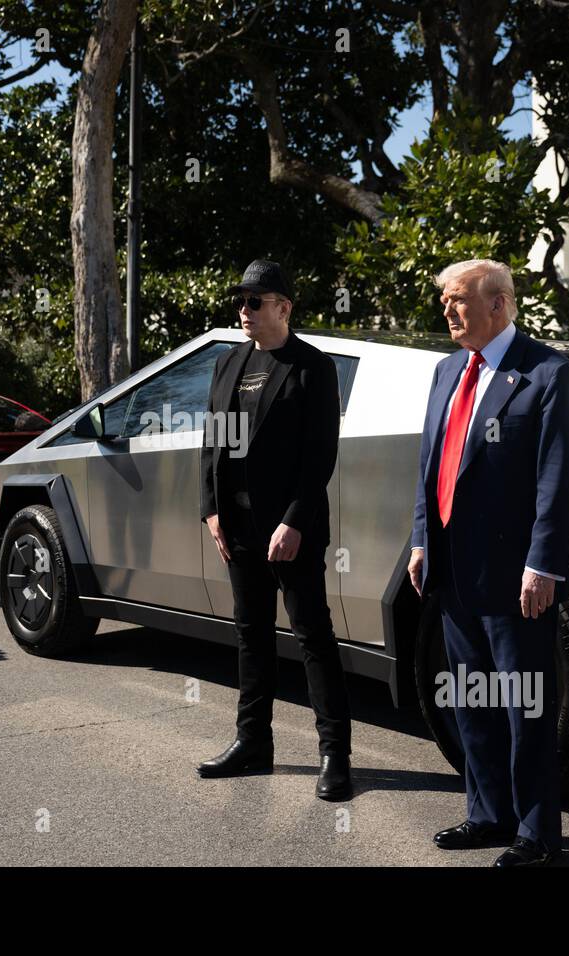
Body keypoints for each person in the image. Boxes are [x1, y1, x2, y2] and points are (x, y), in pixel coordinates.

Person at [408, 259, 569, 866]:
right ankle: (486, 816)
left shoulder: (548, 373)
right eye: (444, 300)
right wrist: (420, 540)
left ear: (499, 303)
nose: (448, 310)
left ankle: (536, 834)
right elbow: (432, 464)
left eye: (458, 299)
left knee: (525, 703)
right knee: (472, 698)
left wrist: (544, 565)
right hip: (454, 571)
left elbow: (557, 480)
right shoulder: (445, 370)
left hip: (517, 578)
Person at [197, 258, 353, 801]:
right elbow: (212, 444)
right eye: (240, 301)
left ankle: (335, 755)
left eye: (255, 301)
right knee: (250, 635)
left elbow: (320, 456)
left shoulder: (312, 366)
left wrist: (294, 520)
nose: (244, 310)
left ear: (284, 308)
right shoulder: (227, 365)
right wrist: (211, 509)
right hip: (237, 528)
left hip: (293, 530)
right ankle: (252, 744)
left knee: (313, 637)